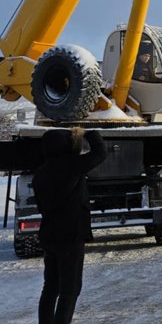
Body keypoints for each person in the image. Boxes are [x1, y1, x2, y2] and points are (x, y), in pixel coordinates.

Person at [32, 127, 107, 324]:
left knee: (51, 287)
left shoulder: (40, 173)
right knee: (70, 289)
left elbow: (41, 206)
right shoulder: (72, 165)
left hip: (50, 234)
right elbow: (100, 154)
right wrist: (91, 134)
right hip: (71, 235)